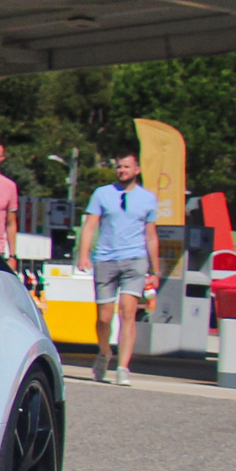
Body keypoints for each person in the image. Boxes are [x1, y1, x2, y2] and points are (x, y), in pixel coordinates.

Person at [78, 153, 162, 385]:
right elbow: (90, 225)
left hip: (135, 259)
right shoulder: (102, 194)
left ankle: (123, 367)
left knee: (128, 312)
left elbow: (151, 235)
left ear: (137, 169)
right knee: (104, 317)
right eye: (119, 167)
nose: (122, 170)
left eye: (127, 167)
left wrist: (156, 270)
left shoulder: (148, 199)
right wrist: (84, 254)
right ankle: (105, 352)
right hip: (105, 259)